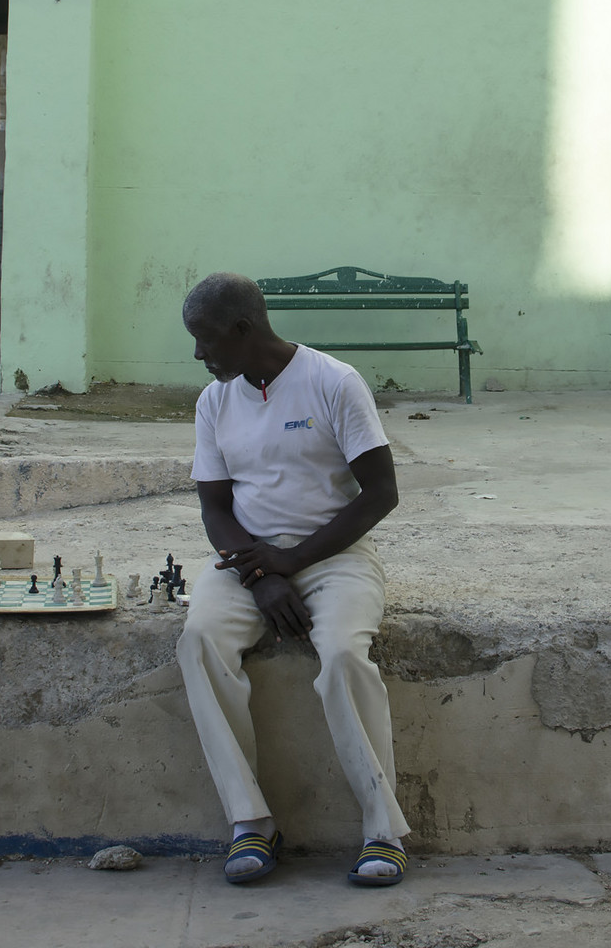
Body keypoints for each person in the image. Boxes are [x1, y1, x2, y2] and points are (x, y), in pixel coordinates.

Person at [176, 272, 411, 887]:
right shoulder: (215, 402)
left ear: (242, 330)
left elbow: (381, 494)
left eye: (204, 339)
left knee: (340, 656)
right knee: (199, 639)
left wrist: (294, 561)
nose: (198, 353)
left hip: (336, 556)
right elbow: (215, 510)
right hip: (248, 562)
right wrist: (260, 576)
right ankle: (251, 822)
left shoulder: (333, 383)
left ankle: (383, 831)